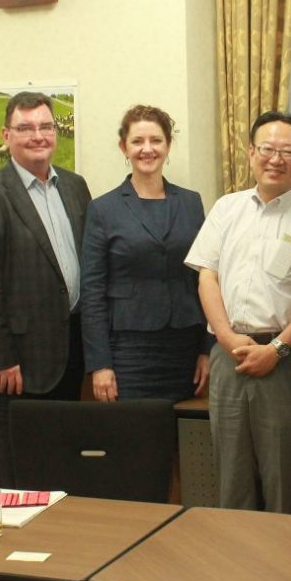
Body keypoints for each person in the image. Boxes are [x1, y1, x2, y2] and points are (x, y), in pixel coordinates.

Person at [185, 111, 291, 514]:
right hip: (229, 354)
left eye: (289, 151)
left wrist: (276, 350)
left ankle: (283, 569)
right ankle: (236, 570)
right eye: (268, 149)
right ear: (251, 153)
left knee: (282, 475)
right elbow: (207, 277)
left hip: (287, 360)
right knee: (231, 473)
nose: (276, 158)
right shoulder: (226, 208)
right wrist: (227, 338)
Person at [0, 91, 91, 487]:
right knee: (18, 471)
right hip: (14, 366)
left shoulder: (75, 187)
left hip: (67, 356)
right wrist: (0, 358)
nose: (38, 136)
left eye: (45, 126)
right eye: (26, 127)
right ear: (6, 135)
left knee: (61, 464)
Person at [81, 105, 210, 403]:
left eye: (156, 140)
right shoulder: (103, 209)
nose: (147, 149)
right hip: (129, 350)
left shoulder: (191, 203)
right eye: (138, 141)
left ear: (168, 145)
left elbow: (204, 279)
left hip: (185, 347)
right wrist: (100, 364)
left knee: (184, 443)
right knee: (135, 439)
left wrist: (207, 348)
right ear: (123, 147)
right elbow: (93, 292)